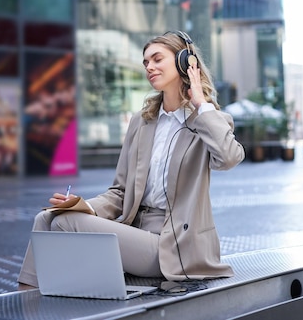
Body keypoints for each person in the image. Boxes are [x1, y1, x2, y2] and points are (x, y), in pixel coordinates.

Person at [17, 31, 245, 289]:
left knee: (65, 223)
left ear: (185, 62)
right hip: (137, 233)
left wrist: (200, 103)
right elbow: (120, 192)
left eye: (157, 59)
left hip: (177, 245)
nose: (150, 67)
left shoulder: (208, 120)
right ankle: (25, 301)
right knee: (46, 219)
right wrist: (83, 206)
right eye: (146, 62)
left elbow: (229, 158)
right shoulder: (142, 121)